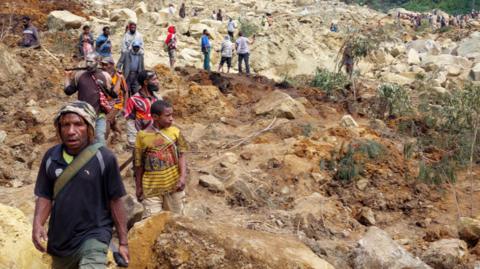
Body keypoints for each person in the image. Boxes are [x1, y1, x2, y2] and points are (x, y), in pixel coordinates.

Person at [32, 101, 129, 269]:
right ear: (59, 129)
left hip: (94, 236)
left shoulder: (104, 158)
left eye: (78, 124)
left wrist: (123, 242)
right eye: (65, 125)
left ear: (90, 128)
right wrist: (38, 223)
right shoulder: (50, 157)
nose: (71, 131)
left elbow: (116, 201)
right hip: (61, 242)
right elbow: (45, 195)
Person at [134, 100, 188, 216]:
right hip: (151, 189)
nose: (171, 118)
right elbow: (138, 164)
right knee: (152, 223)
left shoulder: (175, 132)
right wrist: (138, 186)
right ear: (155, 117)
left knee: (176, 221)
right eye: (167, 115)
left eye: (172, 115)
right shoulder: (142, 136)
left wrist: (182, 177)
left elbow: (182, 155)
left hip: (174, 186)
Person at [64, 53, 117, 145]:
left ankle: (100, 158)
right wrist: (67, 76)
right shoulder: (79, 75)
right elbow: (68, 91)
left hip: (99, 115)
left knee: (100, 138)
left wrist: (119, 79)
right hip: (83, 115)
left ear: (98, 62)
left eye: (91, 61)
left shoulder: (105, 76)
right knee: (84, 139)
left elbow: (113, 94)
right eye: (87, 61)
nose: (88, 64)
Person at [124, 70, 160, 147]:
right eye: (154, 79)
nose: (157, 82)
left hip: (158, 139)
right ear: (146, 82)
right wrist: (133, 141)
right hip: (142, 141)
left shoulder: (158, 98)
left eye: (157, 79)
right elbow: (130, 122)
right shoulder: (134, 100)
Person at [100, 56, 128, 141]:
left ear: (112, 65)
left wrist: (124, 106)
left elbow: (125, 91)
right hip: (106, 103)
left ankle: (104, 141)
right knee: (112, 121)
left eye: (105, 65)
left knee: (106, 120)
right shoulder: (102, 75)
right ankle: (120, 135)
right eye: (102, 64)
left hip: (117, 103)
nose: (103, 67)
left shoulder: (119, 76)